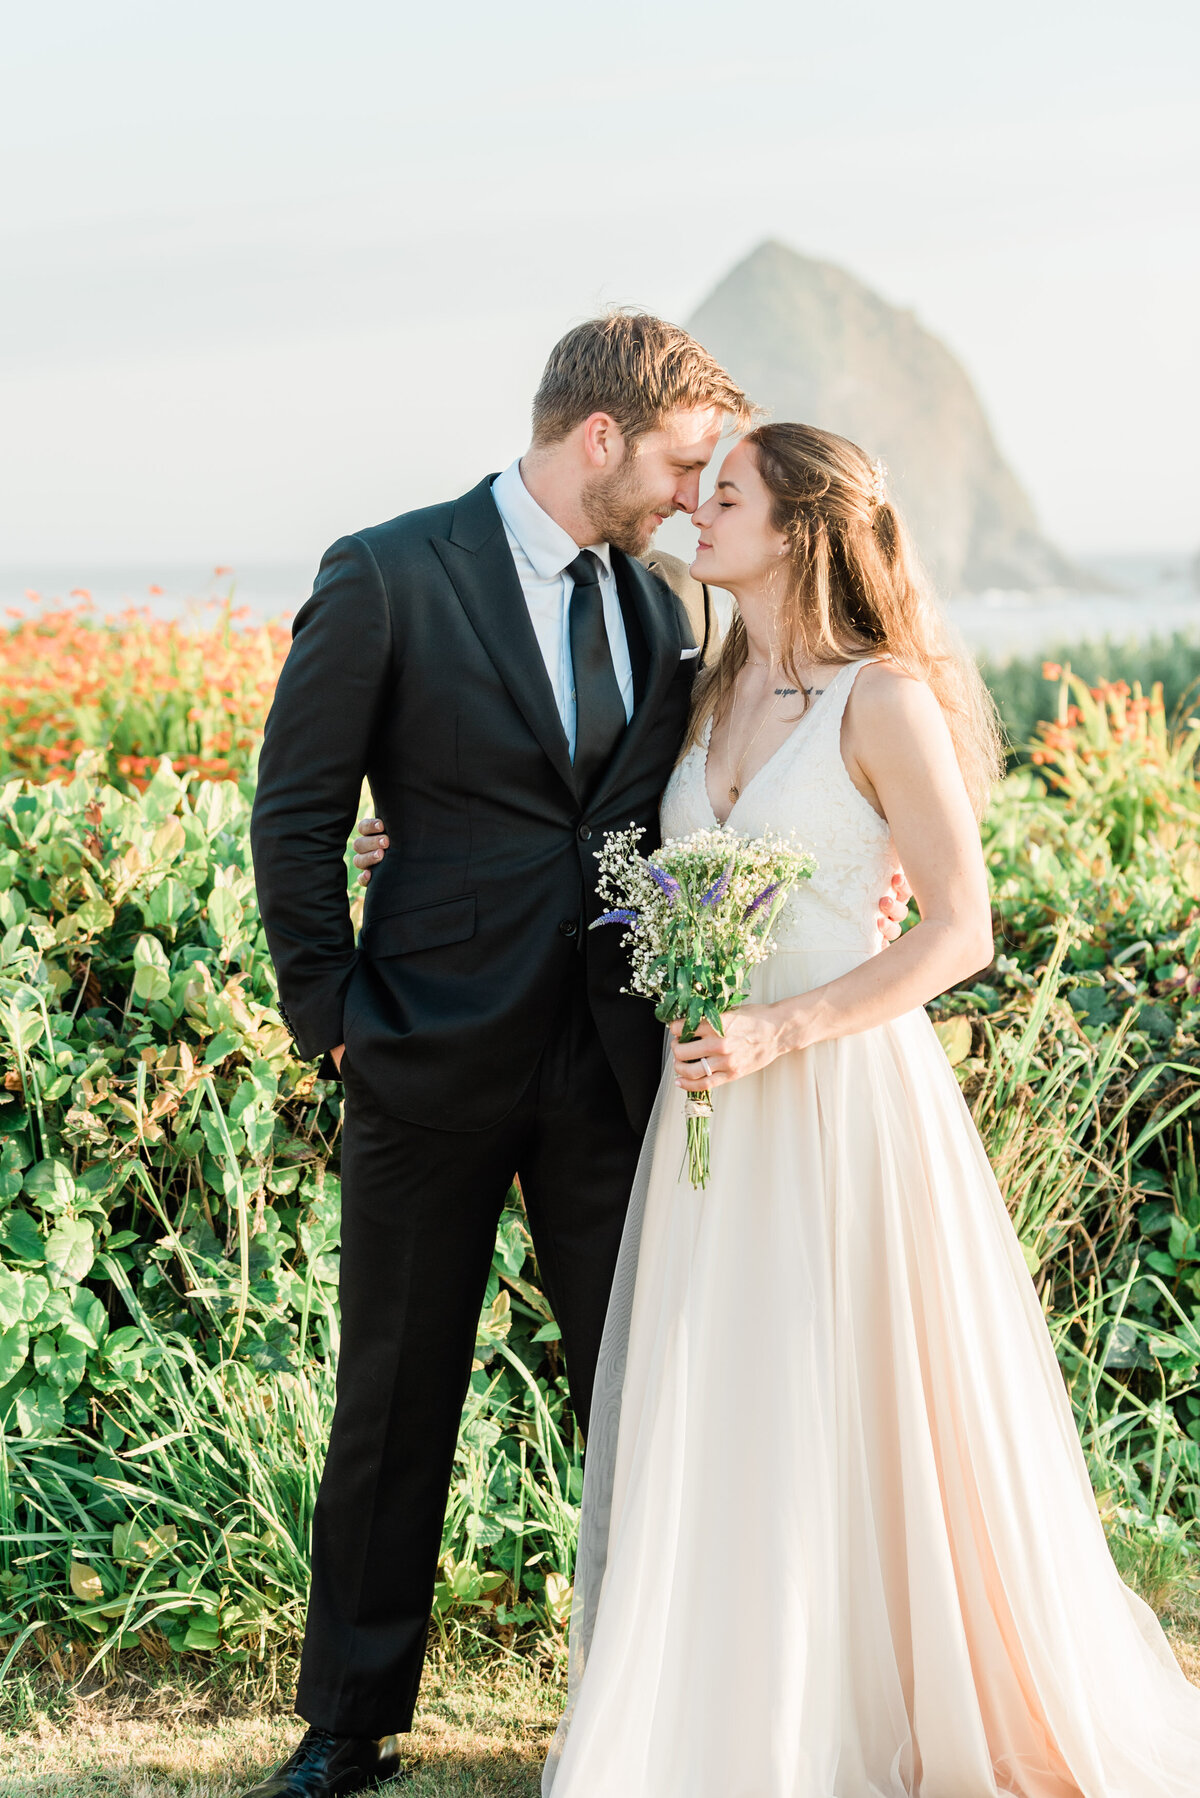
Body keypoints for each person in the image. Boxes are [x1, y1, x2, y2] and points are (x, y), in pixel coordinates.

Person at [247, 310, 914, 1798]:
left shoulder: (671, 612)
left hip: (622, 1071)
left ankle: (655, 1690)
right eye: (685, 461)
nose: (696, 493)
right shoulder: (388, 573)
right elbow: (295, 814)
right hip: (419, 1053)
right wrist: (336, 1020)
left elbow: (693, 804)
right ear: (600, 437)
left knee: (653, 1385)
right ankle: (350, 1719)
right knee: (396, 1386)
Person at [528, 424, 1200, 1796]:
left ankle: (895, 1692)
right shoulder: (704, 691)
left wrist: (787, 1021)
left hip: (843, 1092)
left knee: (868, 1394)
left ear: (798, 530)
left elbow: (960, 929)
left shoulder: (881, 699)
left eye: (727, 497)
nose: (695, 513)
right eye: (698, 493)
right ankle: (746, 1702)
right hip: (715, 1110)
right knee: (734, 1396)